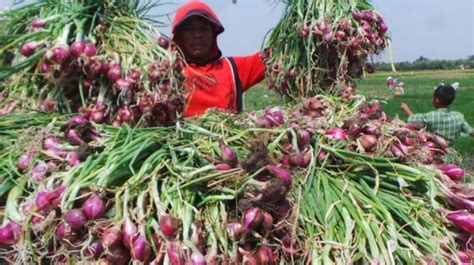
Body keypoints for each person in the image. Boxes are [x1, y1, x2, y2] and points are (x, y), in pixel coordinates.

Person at [171, 0, 265, 117]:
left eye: (204, 29)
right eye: (189, 29)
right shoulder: (168, 74)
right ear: (179, 36)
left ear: (213, 34)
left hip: (225, 135)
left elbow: (273, 57)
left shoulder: (232, 68)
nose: (197, 35)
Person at [400, 85, 474, 145]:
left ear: (436, 100)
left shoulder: (431, 116)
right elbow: (471, 131)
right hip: (450, 153)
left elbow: (413, 120)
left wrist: (406, 108)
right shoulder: (458, 117)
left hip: (433, 151)